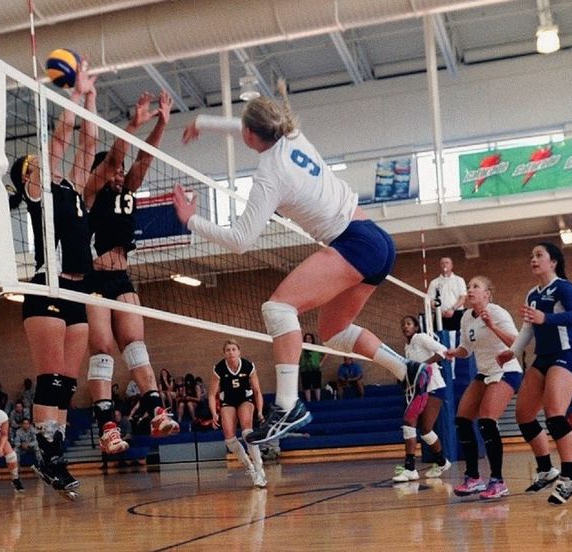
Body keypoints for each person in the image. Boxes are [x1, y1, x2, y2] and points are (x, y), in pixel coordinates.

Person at [172, 85, 433, 445]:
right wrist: (205, 122)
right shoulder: (292, 134)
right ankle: (407, 370)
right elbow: (247, 125)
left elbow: (241, 240)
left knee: (278, 308)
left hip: (353, 243)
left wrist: (190, 220)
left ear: (250, 135)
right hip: (376, 239)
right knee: (333, 330)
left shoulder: (269, 175)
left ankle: (287, 405)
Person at [0, 60, 97, 495]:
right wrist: (72, 96)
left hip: (78, 290)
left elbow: (88, 144)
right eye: (34, 165)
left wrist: (90, 98)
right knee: (51, 377)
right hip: (48, 286)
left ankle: (53, 456)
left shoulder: (72, 189)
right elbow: (60, 142)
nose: (41, 166)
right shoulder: (37, 192)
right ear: (27, 177)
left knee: (68, 382)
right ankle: (48, 456)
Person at [83, 90, 179, 457]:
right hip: (94, 279)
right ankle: (107, 428)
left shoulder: (127, 190)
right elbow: (115, 158)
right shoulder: (91, 193)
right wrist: (132, 125)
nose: (121, 172)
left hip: (122, 277)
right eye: (115, 169)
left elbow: (144, 158)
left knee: (136, 345)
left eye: (122, 170)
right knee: (103, 349)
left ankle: (157, 412)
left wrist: (161, 124)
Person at [500, 242, 572, 505]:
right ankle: (547, 469)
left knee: (554, 413)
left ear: (553, 262)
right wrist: (512, 352)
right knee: (524, 415)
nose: (533, 259)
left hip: (567, 354)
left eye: (539, 255)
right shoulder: (532, 294)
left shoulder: (564, 287)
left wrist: (545, 318)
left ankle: (570, 477)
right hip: (543, 357)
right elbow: (528, 328)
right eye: (531, 256)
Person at [444, 276, 521, 500]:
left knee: (487, 421)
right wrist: (453, 352)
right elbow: (466, 349)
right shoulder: (466, 317)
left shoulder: (497, 313)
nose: (470, 290)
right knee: (462, 420)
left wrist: (492, 326)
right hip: (484, 372)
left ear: (487, 294)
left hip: (506, 370)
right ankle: (473, 478)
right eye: (468, 287)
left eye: (475, 286)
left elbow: (517, 343)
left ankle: (498, 481)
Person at [393, 315, 451, 482]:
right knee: (409, 423)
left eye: (409, 324)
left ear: (416, 327)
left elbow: (443, 350)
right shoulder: (407, 346)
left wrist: (424, 365)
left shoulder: (420, 338)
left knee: (425, 429)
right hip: (418, 390)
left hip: (434, 387)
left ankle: (440, 462)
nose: (405, 326)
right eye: (403, 324)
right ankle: (412, 467)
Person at [209, 339, 267, 487]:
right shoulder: (219, 368)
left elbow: (257, 391)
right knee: (229, 439)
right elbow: (211, 395)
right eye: (228, 350)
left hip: (245, 400)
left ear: (239, 351)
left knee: (247, 432)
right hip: (228, 401)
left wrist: (260, 412)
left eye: (233, 349)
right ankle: (250, 467)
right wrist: (214, 413)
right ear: (224, 353)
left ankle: (259, 468)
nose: (231, 352)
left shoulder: (248, 366)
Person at [427, 257, 467, 333]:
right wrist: (438, 310)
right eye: (442, 263)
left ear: (451, 266)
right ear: (440, 266)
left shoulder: (459, 280)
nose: (444, 265)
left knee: (459, 337)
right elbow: (430, 300)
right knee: (440, 337)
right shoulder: (434, 283)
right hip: (440, 315)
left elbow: (463, 298)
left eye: (447, 263)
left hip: (456, 313)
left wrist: (452, 309)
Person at [299, 333, 324, 402]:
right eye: (306, 338)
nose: (308, 340)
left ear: (312, 339)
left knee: (317, 385)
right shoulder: (302, 348)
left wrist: (322, 362)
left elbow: (326, 352)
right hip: (305, 369)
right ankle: (309, 401)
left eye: (310, 338)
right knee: (306, 386)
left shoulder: (316, 348)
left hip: (315, 369)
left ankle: (318, 400)